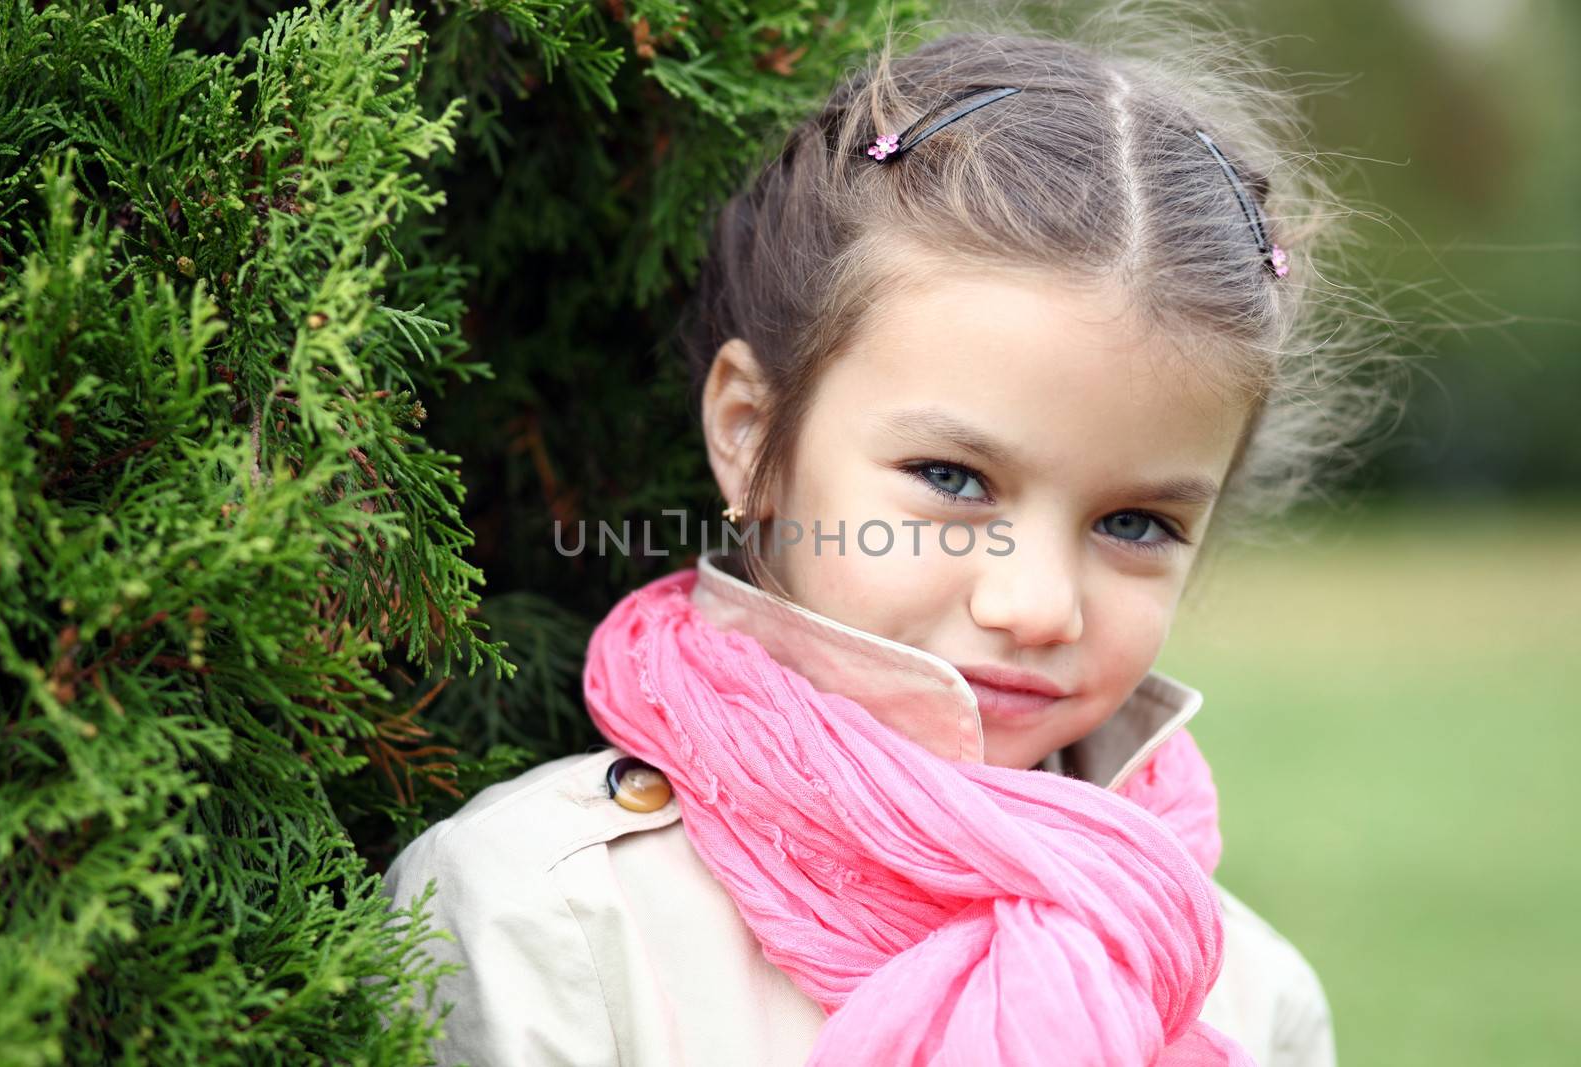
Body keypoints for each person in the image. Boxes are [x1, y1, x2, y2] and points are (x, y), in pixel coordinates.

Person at [383, 14, 1400, 1066]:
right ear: (747, 432)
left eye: (1135, 522)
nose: (1035, 603)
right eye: (952, 479)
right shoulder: (547, 918)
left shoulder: (1243, 986)